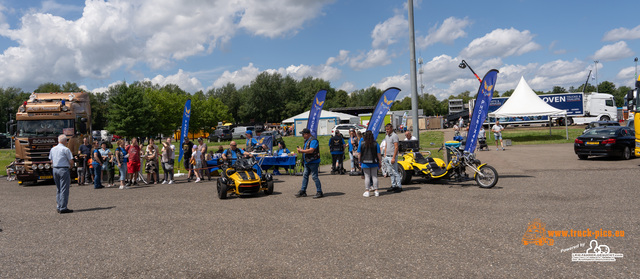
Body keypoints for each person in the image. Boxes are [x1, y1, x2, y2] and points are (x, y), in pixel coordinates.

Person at [49, 134, 75, 214]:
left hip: (55, 169)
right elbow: (71, 161)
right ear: (65, 141)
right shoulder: (66, 149)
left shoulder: (53, 149)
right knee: (64, 188)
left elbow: (51, 160)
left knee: (59, 188)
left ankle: (59, 205)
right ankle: (63, 207)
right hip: (63, 168)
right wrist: (71, 166)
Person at [295, 128, 323, 199]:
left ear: (307, 134)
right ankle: (303, 191)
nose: (302, 136)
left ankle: (319, 192)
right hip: (307, 161)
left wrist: (301, 151)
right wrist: (302, 151)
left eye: (303, 134)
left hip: (313, 161)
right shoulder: (307, 140)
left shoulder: (313, 140)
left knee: (314, 176)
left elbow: (311, 150)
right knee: (305, 175)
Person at [358, 130, 382, 197]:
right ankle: (376, 191)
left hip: (365, 162)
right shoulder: (376, 143)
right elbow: (379, 154)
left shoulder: (362, 143)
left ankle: (367, 191)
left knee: (367, 177)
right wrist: (380, 162)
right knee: (374, 176)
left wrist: (359, 161)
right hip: (374, 161)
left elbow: (359, 154)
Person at [384, 123, 402, 193]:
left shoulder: (394, 136)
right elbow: (386, 146)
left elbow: (396, 147)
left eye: (388, 129)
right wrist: (385, 155)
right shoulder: (386, 136)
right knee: (390, 172)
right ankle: (393, 185)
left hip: (392, 156)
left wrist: (394, 157)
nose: (387, 131)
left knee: (395, 172)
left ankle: (399, 186)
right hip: (387, 156)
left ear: (391, 129)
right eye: (386, 129)